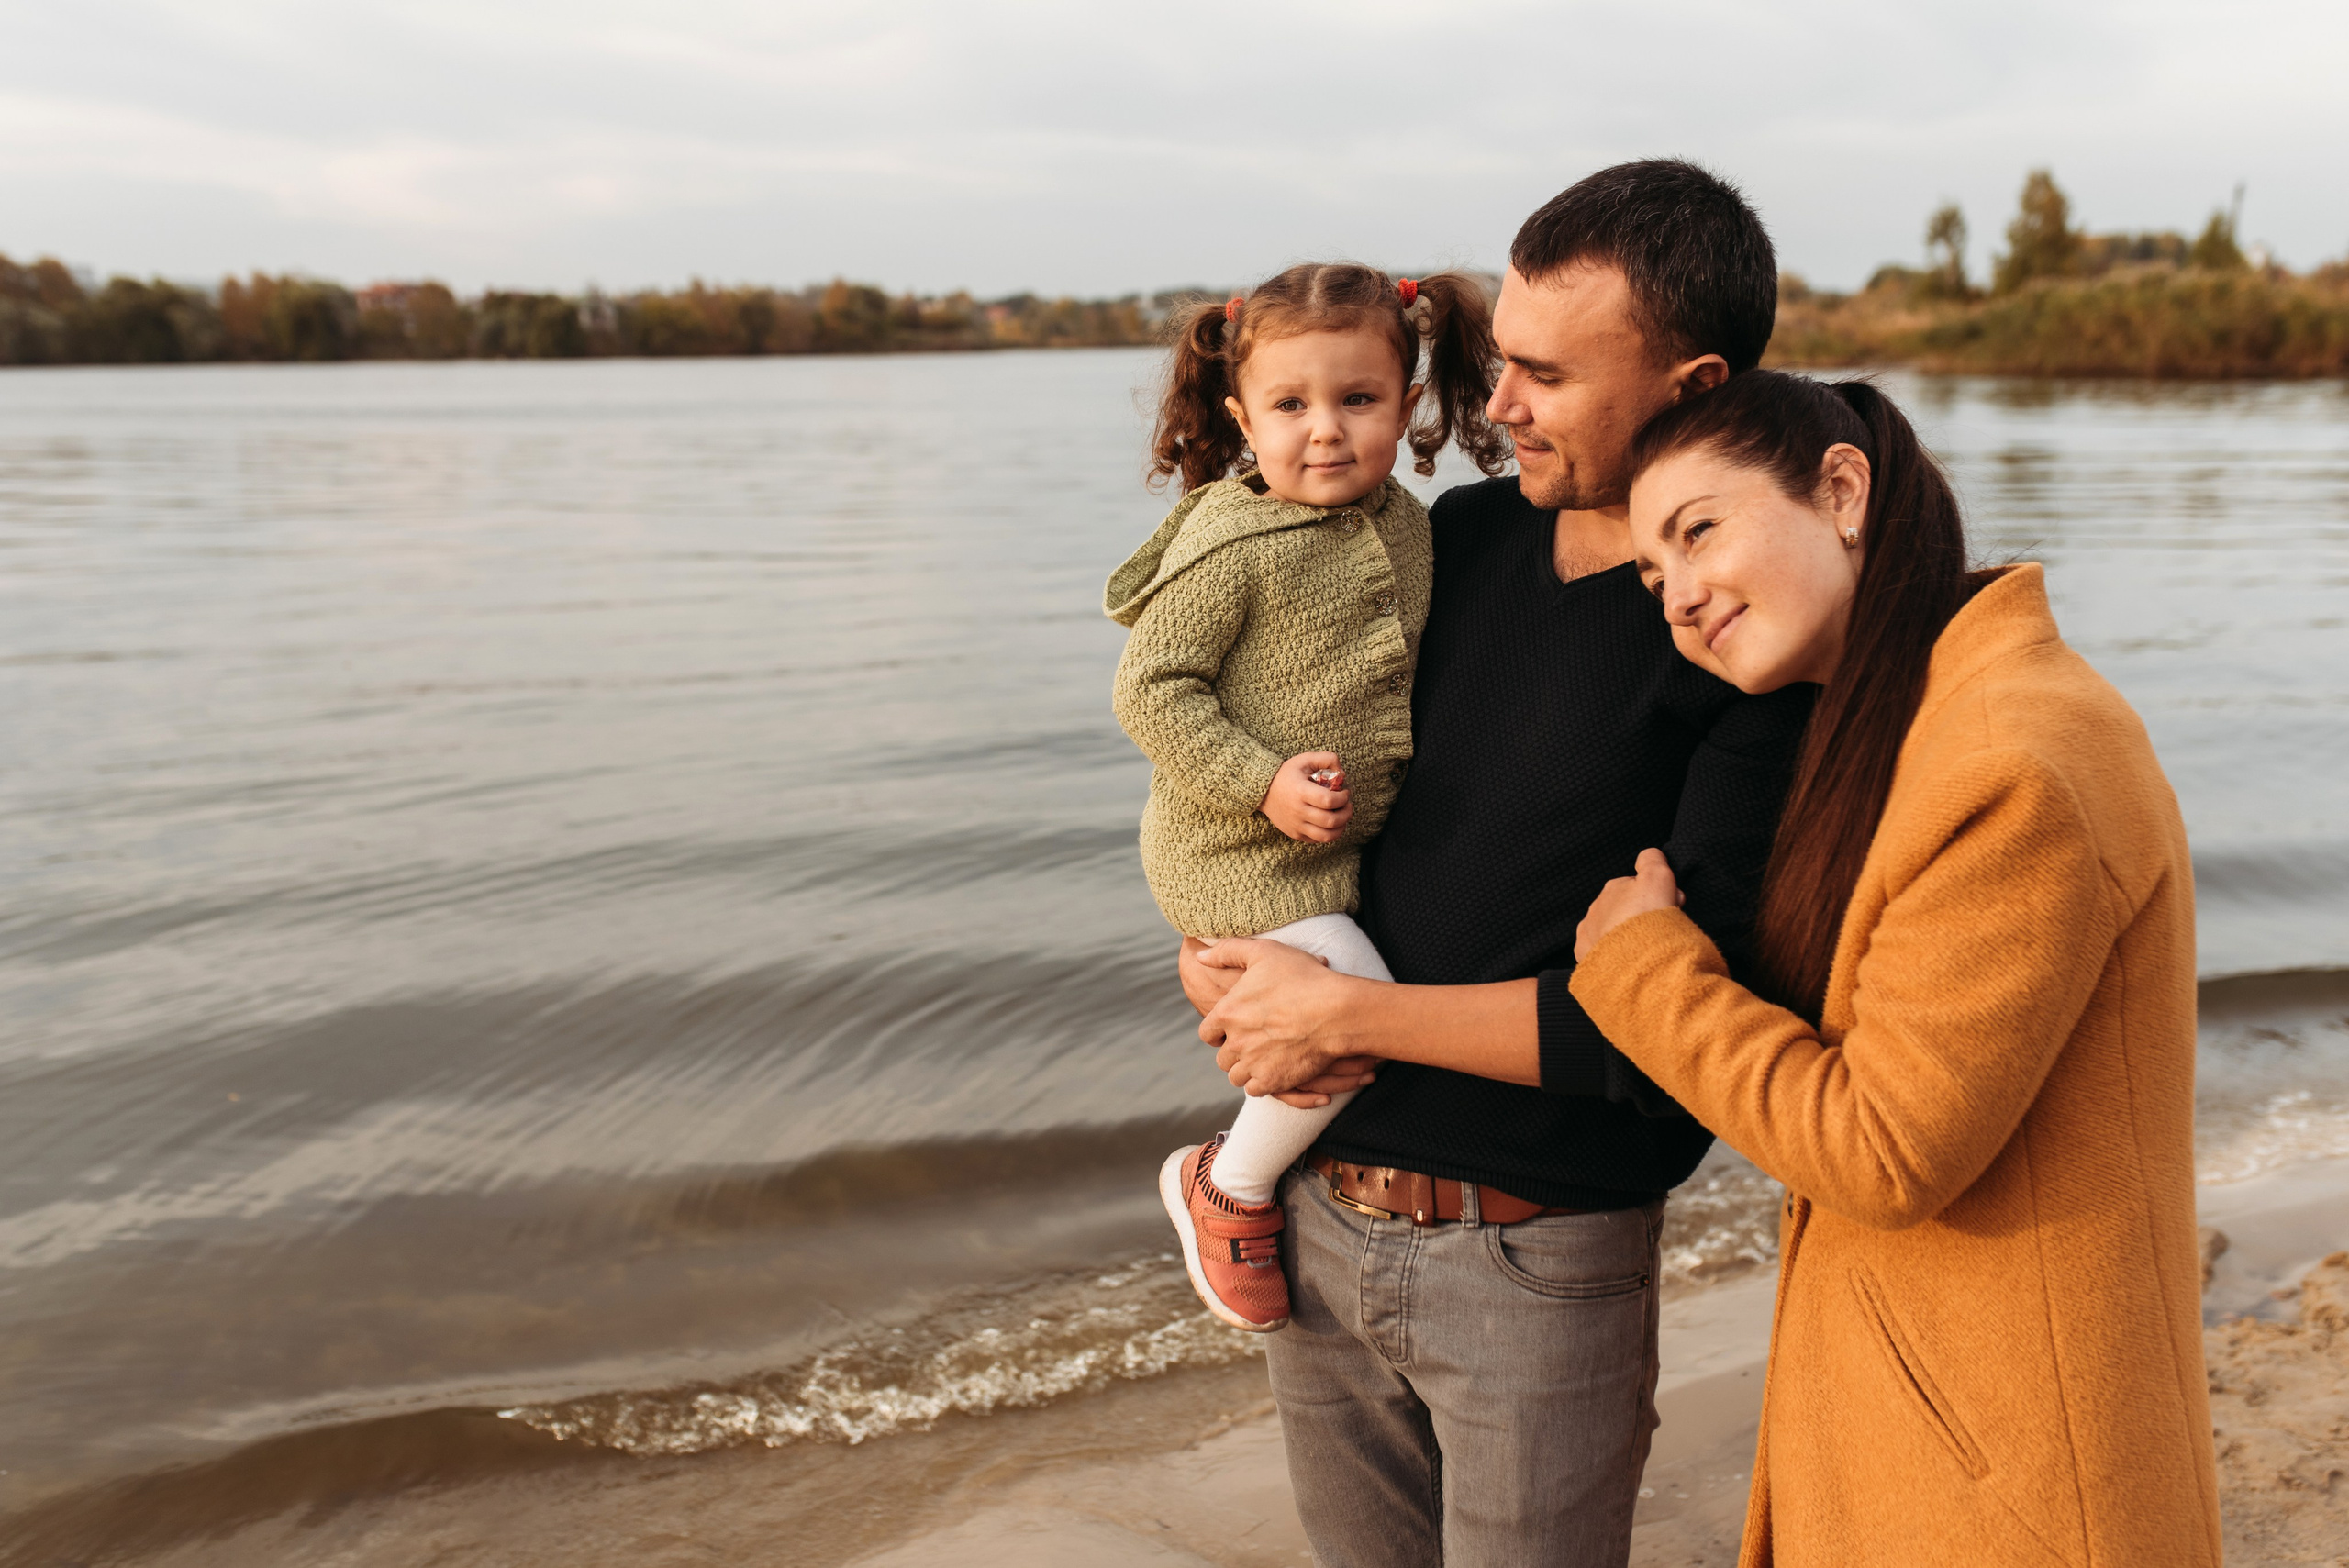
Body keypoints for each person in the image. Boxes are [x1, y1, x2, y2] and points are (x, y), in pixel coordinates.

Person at [1183, 161, 1814, 1566]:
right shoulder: (1439, 543)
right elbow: (1281, 762)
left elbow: (1670, 1038)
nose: (1499, 402)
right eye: (1502, 359)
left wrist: (1344, 1014)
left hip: (1542, 1260)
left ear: (1694, 386)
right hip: (1314, 1218)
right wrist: (1222, 952)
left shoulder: (1743, 639)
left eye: (1546, 374)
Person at [1564, 372, 2220, 1564]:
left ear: (1842, 490)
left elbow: (1884, 1145)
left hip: (2010, 1481)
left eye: (1699, 531)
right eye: (1654, 577)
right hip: (1954, 1413)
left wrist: (1643, 968)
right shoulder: (1937, 722)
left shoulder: (2011, 761)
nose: (1680, 595)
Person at [1105, 262, 1509, 1331]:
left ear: (1407, 405)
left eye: (1357, 398)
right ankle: (1225, 1184)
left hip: (1322, 852)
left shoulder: (1407, 524)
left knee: (1345, 1006)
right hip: (1231, 845)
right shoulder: (1233, 543)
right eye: (1290, 404)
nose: (1325, 429)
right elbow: (1149, 688)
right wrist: (1263, 780)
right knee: (1351, 1006)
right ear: (1244, 417)